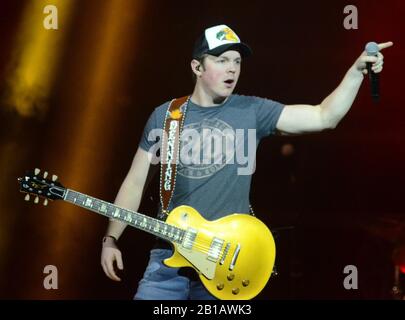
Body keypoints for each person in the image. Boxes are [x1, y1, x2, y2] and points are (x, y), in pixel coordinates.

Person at [100, 24, 393, 300]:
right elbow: (136, 182)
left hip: (225, 263)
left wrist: (356, 73)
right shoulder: (166, 116)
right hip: (168, 259)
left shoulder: (251, 110)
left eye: (237, 61)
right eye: (222, 59)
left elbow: (323, 116)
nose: (232, 68)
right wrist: (111, 239)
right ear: (197, 67)